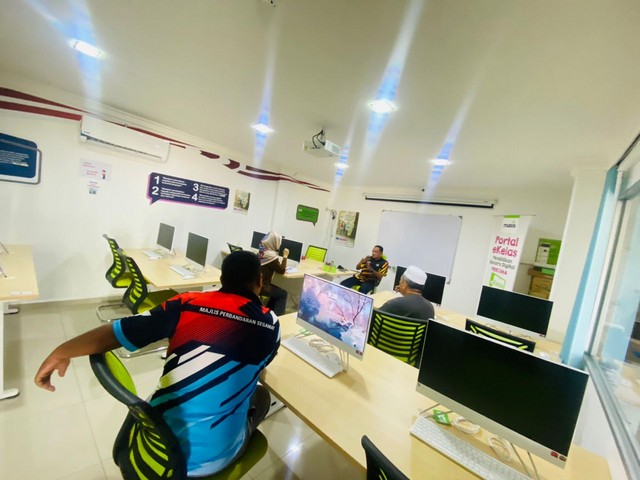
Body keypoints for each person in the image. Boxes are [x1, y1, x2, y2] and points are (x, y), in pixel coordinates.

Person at [34, 251, 280, 477]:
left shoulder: (187, 303)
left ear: (222, 278)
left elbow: (117, 333)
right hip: (210, 463)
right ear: (259, 281)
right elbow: (262, 365)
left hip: (155, 441)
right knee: (261, 396)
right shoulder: (270, 323)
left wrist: (61, 351)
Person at [258, 231, 289, 315]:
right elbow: (282, 270)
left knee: (276, 293)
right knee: (283, 294)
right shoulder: (271, 256)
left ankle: (270, 313)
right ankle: (277, 317)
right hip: (262, 286)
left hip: (256, 284)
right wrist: (285, 256)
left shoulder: (262, 251)